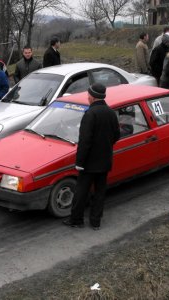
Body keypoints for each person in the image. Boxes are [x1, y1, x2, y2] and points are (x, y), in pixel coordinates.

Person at [63, 83, 120, 230]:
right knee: (100, 192)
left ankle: (76, 220)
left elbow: (85, 141)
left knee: (81, 191)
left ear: (92, 97)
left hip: (88, 163)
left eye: (88, 95)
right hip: (105, 161)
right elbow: (116, 135)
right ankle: (95, 222)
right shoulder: (111, 112)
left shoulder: (90, 114)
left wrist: (80, 162)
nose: (87, 97)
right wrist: (105, 147)